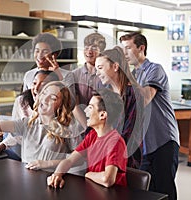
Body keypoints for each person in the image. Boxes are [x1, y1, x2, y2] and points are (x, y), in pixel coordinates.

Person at [0, 81, 82, 171]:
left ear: (62, 104)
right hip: (27, 179)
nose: (45, 100)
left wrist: (48, 163)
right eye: (44, 94)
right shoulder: (28, 123)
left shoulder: (69, 127)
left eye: (53, 98)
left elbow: (79, 160)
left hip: (54, 181)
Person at [120, 32, 180, 200]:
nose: (124, 53)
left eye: (128, 48)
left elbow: (144, 98)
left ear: (141, 48)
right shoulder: (133, 74)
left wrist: (127, 74)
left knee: (164, 190)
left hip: (163, 139)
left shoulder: (155, 69)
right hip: (143, 143)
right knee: (146, 190)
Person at [47, 88, 127, 188]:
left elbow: (108, 180)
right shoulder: (92, 135)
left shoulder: (115, 142)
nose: (85, 110)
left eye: (90, 107)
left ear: (102, 115)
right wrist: (57, 174)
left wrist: (88, 174)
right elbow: (69, 160)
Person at [0, 70, 60, 160]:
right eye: (34, 83)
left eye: (43, 85)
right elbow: (14, 134)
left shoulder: (60, 108)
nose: (36, 88)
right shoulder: (21, 102)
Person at [95, 46, 143, 169]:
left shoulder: (134, 94)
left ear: (115, 67)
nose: (97, 73)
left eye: (100, 68)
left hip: (125, 158)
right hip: (104, 155)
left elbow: (129, 132)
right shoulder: (105, 93)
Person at [22, 33, 75, 106]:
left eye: (45, 52)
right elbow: (24, 102)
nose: (40, 56)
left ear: (54, 55)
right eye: (37, 51)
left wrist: (58, 74)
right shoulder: (29, 75)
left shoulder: (67, 75)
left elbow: (70, 102)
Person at [72, 32, 106, 129]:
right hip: (80, 127)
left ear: (101, 51)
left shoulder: (106, 74)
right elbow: (75, 106)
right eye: (86, 47)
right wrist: (87, 129)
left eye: (94, 48)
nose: (89, 51)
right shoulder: (74, 75)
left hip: (101, 127)